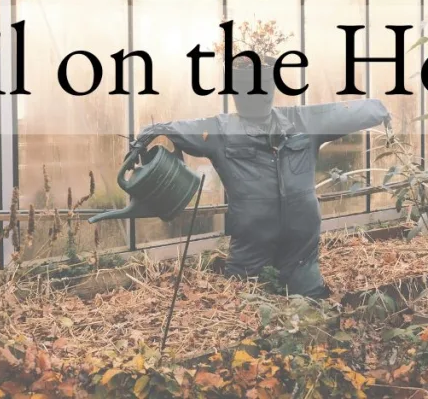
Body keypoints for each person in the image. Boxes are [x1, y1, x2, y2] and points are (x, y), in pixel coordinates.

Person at [124, 58, 390, 299]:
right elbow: (183, 129)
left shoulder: (299, 121)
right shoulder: (221, 130)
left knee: (311, 307)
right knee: (247, 305)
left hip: (301, 249)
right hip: (251, 247)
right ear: (236, 92)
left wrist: (379, 110)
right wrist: (151, 131)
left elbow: (343, 112)